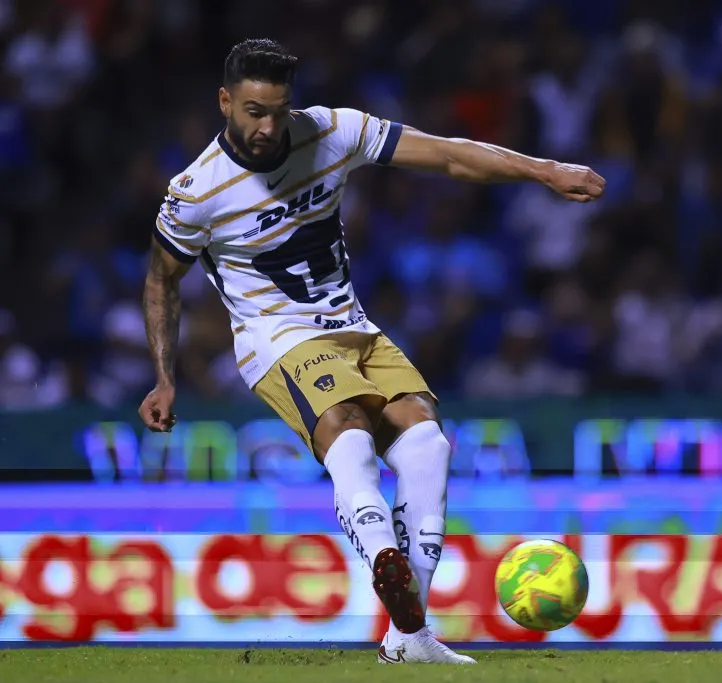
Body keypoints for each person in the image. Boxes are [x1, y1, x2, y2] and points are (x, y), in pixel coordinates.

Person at [137, 38, 605, 664]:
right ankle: (386, 562)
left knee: (425, 441)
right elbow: (161, 280)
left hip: (352, 324)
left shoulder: (333, 131)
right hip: (276, 337)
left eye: (277, 110)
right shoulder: (196, 192)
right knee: (348, 430)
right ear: (226, 102)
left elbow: (447, 156)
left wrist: (544, 170)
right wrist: (164, 376)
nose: (267, 126)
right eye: (253, 111)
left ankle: (409, 636)